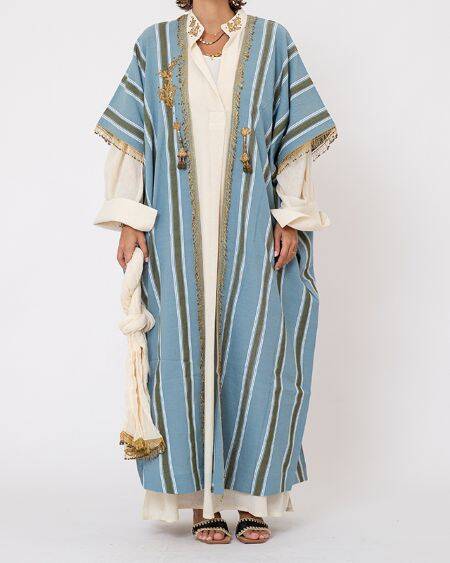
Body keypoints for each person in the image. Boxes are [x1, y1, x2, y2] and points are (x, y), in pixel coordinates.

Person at [94, 0, 337, 544]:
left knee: (258, 353)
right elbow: (135, 137)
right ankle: (200, 499)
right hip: (175, 230)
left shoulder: (272, 41)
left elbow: (293, 135)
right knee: (179, 356)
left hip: (253, 225)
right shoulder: (155, 44)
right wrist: (130, 217)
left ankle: (253, 500)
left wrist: (291, 215)